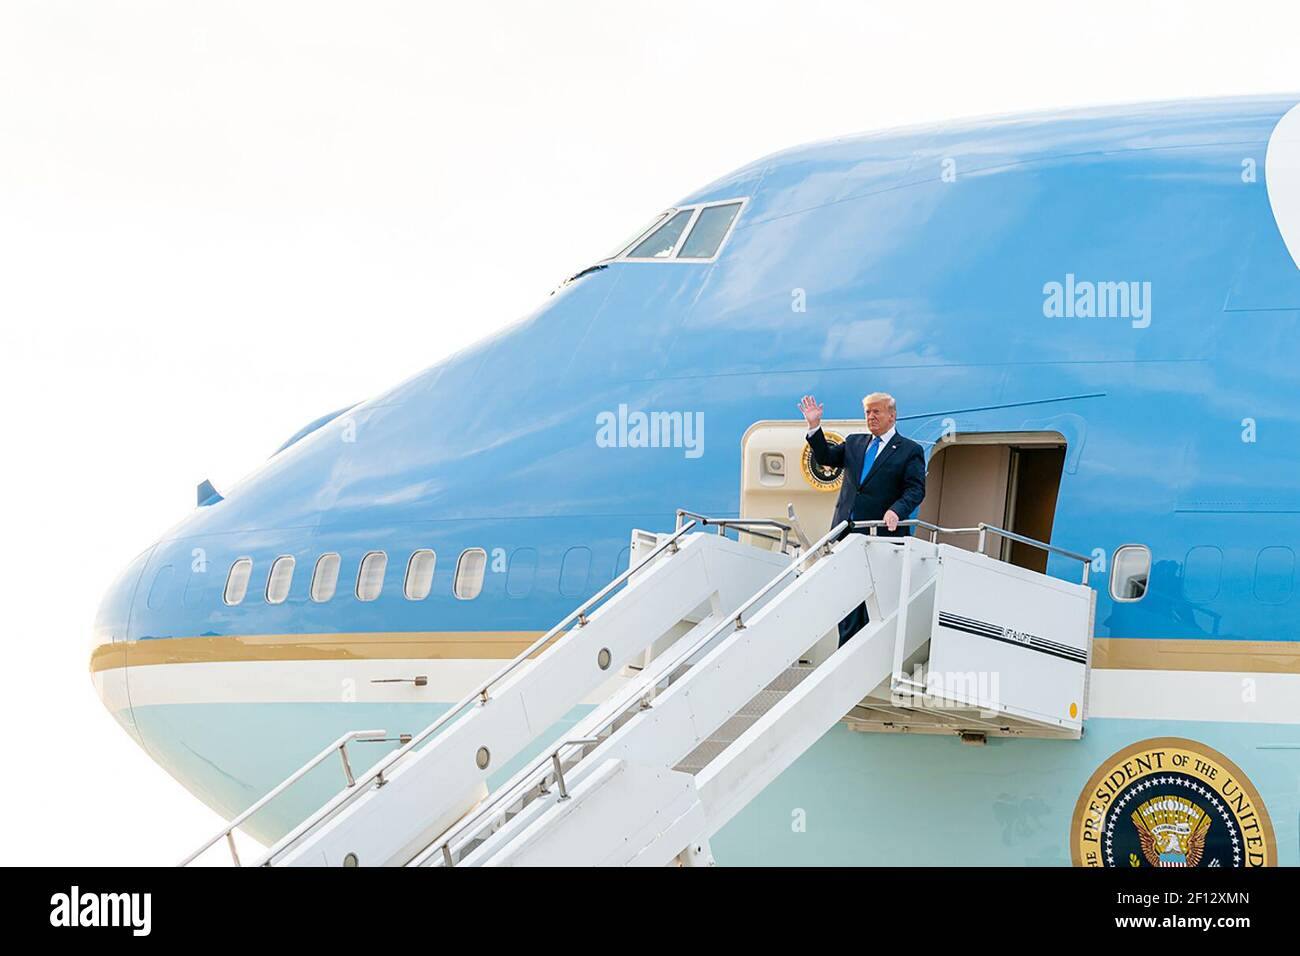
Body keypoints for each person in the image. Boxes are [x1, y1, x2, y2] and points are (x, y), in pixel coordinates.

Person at [798, 391, 926, 646]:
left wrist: (896, 510)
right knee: (846, 602)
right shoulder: (855, 443)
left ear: (892, 416)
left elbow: (915, 489)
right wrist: (814, 427)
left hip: (880, 539)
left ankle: (865, 656)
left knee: (873, 604)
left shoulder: (910, 450)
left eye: (876, 411)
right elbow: (826, 457)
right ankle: (844, 657)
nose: (871, 417)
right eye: (868, 412)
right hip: (845, 535)